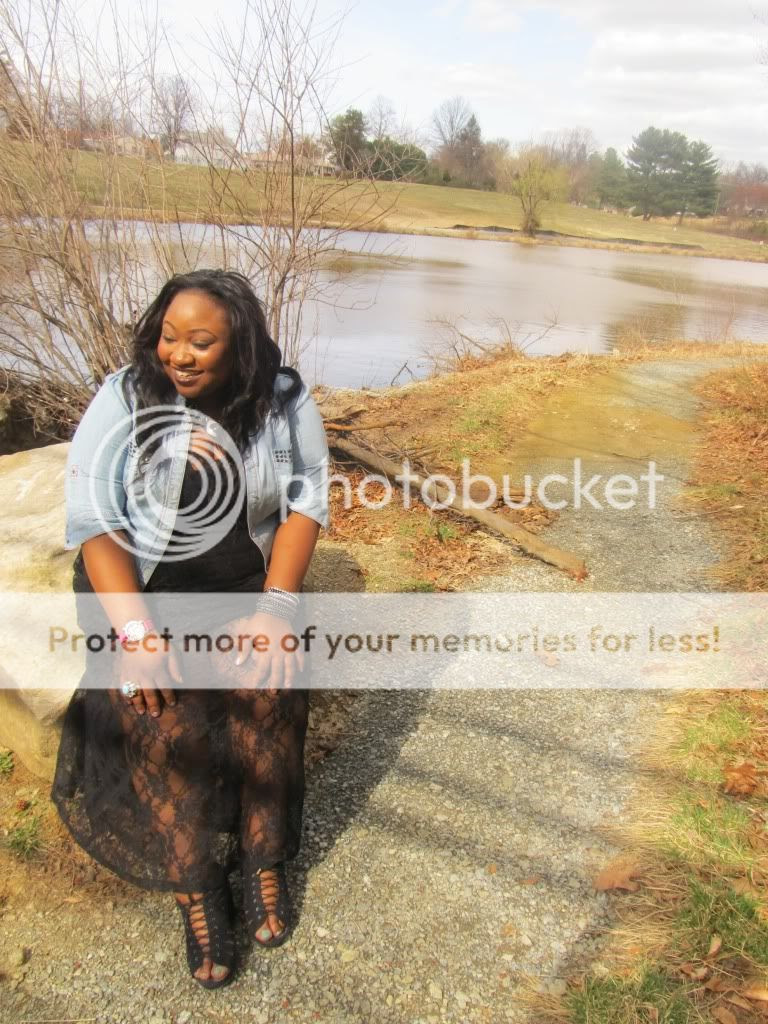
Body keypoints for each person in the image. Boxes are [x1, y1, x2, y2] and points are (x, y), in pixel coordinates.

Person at [52, 269, 330, 989]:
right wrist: (138, 638)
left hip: (241, 583)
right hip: (142, 587)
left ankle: (263, 861)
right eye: (169, 336)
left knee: (267, 690)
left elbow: (306, 501)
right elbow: (94, 520)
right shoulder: (125, 396)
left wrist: (276, 612)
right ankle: (197, 884)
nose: (179, 354)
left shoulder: (284, 398)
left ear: (240, 345)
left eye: (200, 342)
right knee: (163, 715)